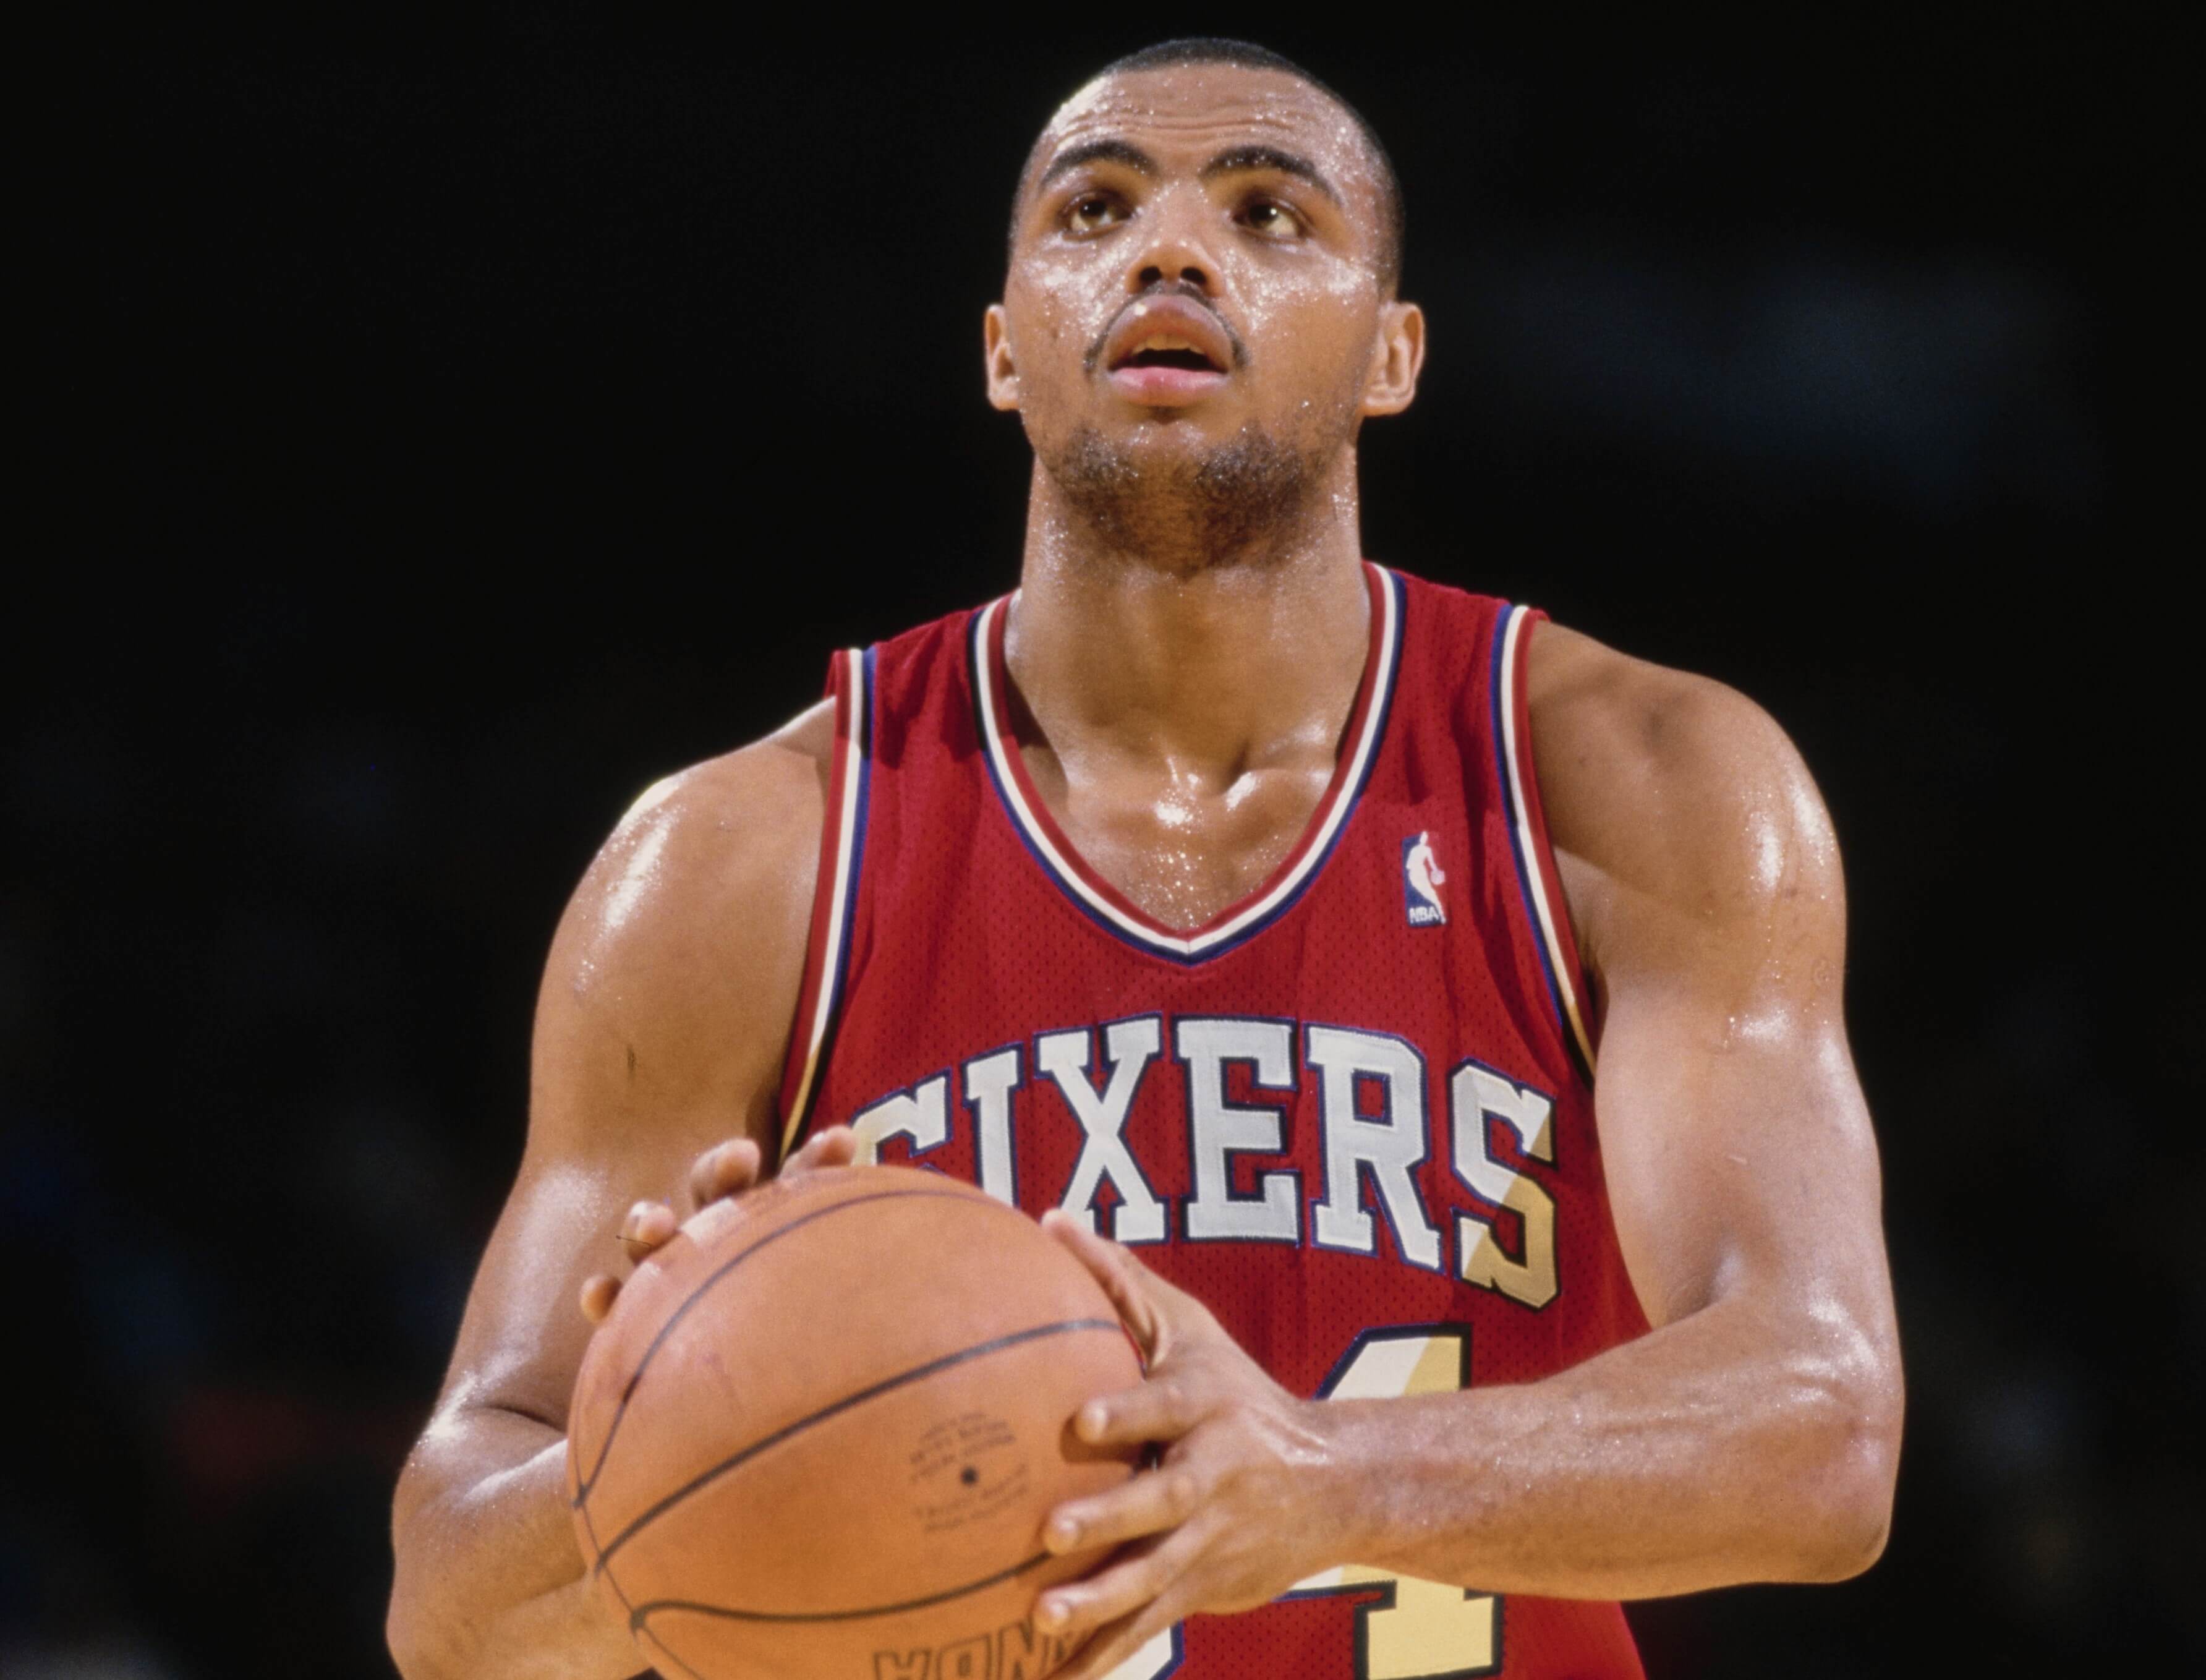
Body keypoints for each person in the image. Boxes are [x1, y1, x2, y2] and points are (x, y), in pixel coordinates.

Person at [387, 37, 1902, 1680]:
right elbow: (448, 1608)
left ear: (1393, 355)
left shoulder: (1633, 783)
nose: (1171, 248)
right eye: (1094, 209)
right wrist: (664, 1454)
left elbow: (1821, 1431)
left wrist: (1319, 1482)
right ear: (1003, 352)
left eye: (1268, 213)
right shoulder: (742, 858)